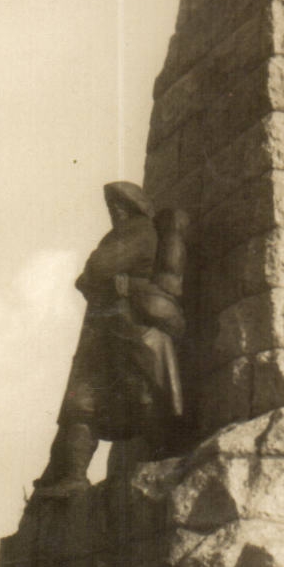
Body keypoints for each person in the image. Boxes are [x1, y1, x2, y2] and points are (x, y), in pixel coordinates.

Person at [36, 181, 187, 492]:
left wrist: (101, 279)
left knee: (127, 394)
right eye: (110, 206)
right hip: (110, 328)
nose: (113, 212)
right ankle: (73, 477)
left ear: (129, 208)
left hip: (126, 326)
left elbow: (96, 268)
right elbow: (86, 280)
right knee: (86, 402)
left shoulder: (136, 230)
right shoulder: (134, 232)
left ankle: (160, 455)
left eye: (116, 206)